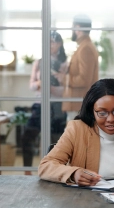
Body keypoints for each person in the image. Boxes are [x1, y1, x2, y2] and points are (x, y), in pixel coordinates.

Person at [38, 78, 114, 186]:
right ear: (92, 111)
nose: (111, 119)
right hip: (86, 200)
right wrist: (74, 173)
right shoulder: (76, 129)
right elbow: (45, 166)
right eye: (102, 113)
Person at [21, 31, 68, 175]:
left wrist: (51, 87)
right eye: (47, 42)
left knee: (56, 144)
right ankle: (27, 172)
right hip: (39, 105)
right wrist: (40, 83)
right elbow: (31, 86)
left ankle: (55, 173)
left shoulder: (65, 64)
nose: (49, 45)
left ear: (59, 44)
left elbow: (66, 90)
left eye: (52, 42)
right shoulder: (39, 62)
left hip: (57, 106)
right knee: (27, 136)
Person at [54, 14, 99, 121]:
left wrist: (63, 78)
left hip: (78, 106)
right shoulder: (83, 47)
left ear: (78, 28)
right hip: (77, 106)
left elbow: (84, 80)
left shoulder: (85, 49)